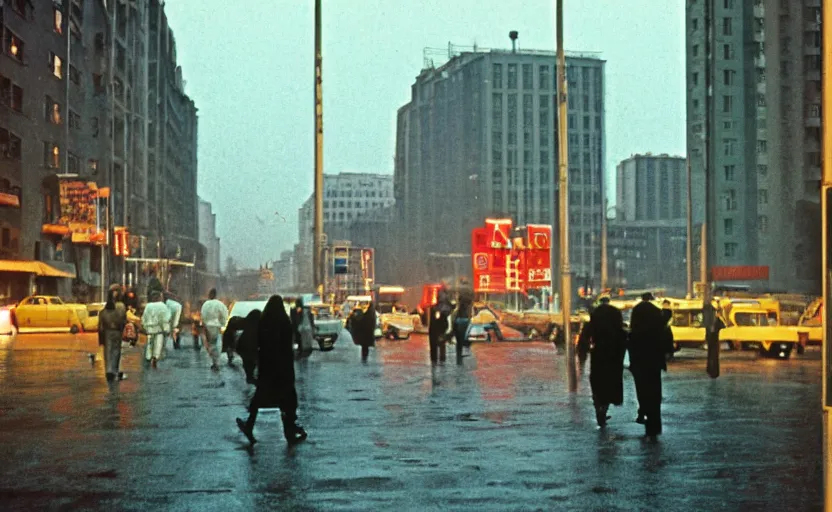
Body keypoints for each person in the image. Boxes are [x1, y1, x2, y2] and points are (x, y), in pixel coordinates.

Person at [236, 295, 307, 446]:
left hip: (267, 366)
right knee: (287, 398)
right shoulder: (284, 322)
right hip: (284, 367)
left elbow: (258, 342)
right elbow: (288, 343)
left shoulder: (264, 322)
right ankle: (290, 428)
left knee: (260, 396)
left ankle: (250, 424)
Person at [628, 292, 675, 439]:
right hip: (654, 362)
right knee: (655, 391)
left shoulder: (636, 328)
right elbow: (666, 329)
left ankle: (644, 412)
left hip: (639, 362)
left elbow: (629, 342)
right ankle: (654, 421)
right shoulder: (658, 325)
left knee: (642, 390)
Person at [577, 296, 628, 427]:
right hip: (614, 356)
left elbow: (585, 338)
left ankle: (599, 409)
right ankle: (604, 410)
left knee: (597, 383)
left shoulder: (595, 318)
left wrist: (582, 354)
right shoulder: (615, 316)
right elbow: (623, 336)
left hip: (598, 354)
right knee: (611, 384)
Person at [99, 289, 128, 382]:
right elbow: (122, 321)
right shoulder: (117, 312)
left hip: (107, 333)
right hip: (117, 332)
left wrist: (101, 339)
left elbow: (100, 327)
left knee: (108, 352)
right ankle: (115, 371)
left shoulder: (102, 312)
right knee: (116, 352)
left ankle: (108, 370)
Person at [200, 288, 229, 372]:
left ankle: (214, 361)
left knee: (210, 344)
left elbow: (203, 315)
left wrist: (205, 323)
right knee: (215, 343)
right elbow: (224, 314)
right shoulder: (220, 304)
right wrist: (222, 324)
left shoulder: (206, 304)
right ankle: (215, 361)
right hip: (216, 326)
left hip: (208, 326)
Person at [142, 292, 171, 368]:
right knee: (158, 344)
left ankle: (149, 357)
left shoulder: (148, 306)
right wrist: (167, 329)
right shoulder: (163, 306)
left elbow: (144, 317)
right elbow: (165, 319)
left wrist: (144, 326)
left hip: (149, 328)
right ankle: (155, 358)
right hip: (159, 329)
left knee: (150, 344)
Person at [428, 290, 452, 364]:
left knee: (438, 344)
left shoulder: (438, 308)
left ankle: (437, 359)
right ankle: (439, 359)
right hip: (439, 327)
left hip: (437, 327)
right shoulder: (444, 308)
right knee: (441, 344)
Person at [451, 290, 474, 364]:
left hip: (459, 321)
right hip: (464, 321)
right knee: (464, 338)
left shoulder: (460, 306)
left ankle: (459, 358)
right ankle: (461, 356)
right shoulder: (467, 305)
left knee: (459, 341)